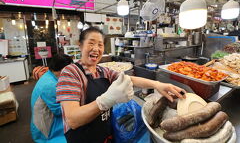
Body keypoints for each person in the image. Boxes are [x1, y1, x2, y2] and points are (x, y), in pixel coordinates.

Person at [56, 27, 186, 143]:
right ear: (80, 45)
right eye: (91, 43)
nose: (96, 49)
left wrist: (157, 84)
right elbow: (72, 120)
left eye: (100, 45)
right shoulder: (71, 73)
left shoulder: (103, 71)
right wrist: (105, 101)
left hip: (105, 134)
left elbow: (129, 79)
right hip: (82, 138)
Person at [31, 54, 73, 143]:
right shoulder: (49, 85)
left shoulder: (50, 75)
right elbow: (59, 111)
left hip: (47, 116)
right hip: (46, 129)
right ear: (62, 69)